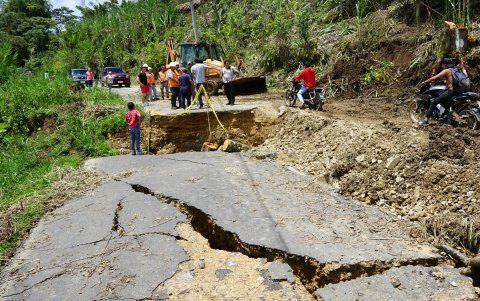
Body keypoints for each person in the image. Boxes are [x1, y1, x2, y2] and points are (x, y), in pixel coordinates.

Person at [419, 57, 469, 124]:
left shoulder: (447, 70)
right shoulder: (456, 70)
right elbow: (464, 76)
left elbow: (434, 78)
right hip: (461, 91)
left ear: (445, 65)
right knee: (444, 99)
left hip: (452, 92)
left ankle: (426, 119)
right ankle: (446, 116)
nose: (442, 66)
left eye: (442, 64)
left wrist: (424, 82)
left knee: (434, 101)